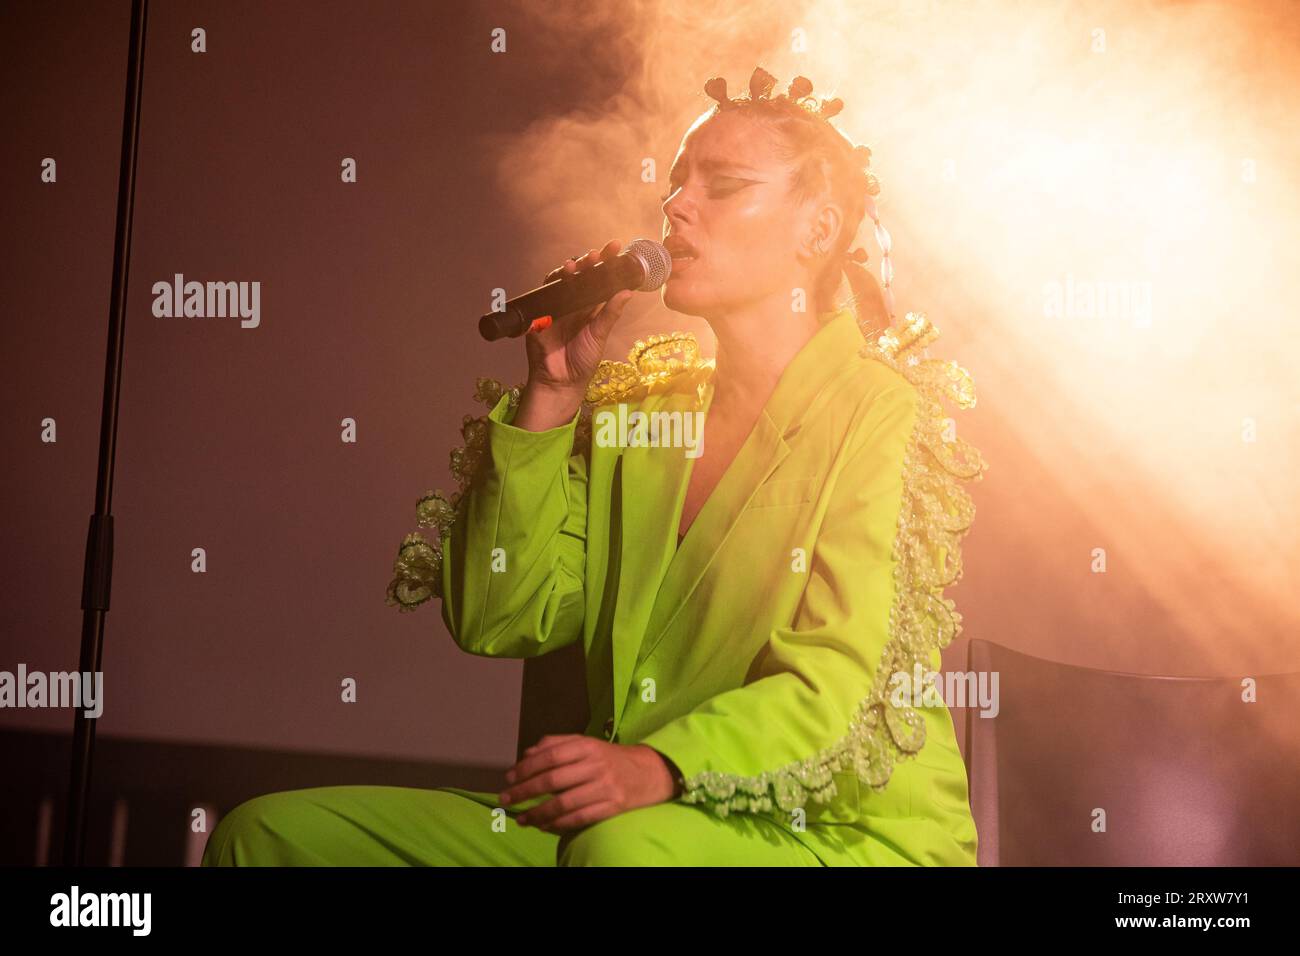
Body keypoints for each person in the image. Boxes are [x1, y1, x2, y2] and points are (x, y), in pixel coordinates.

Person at [203, 66, 986, 867]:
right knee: (264, 839)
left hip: (838, 832)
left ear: (817, 231)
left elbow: (840, 680)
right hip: (637, 823)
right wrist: (552, 392)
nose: (677, 205)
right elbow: (498, 616)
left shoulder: (882, 408)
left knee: (618, 856)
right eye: (679, 183)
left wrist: (660, 765)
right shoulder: (645, 416)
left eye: (724, 185)